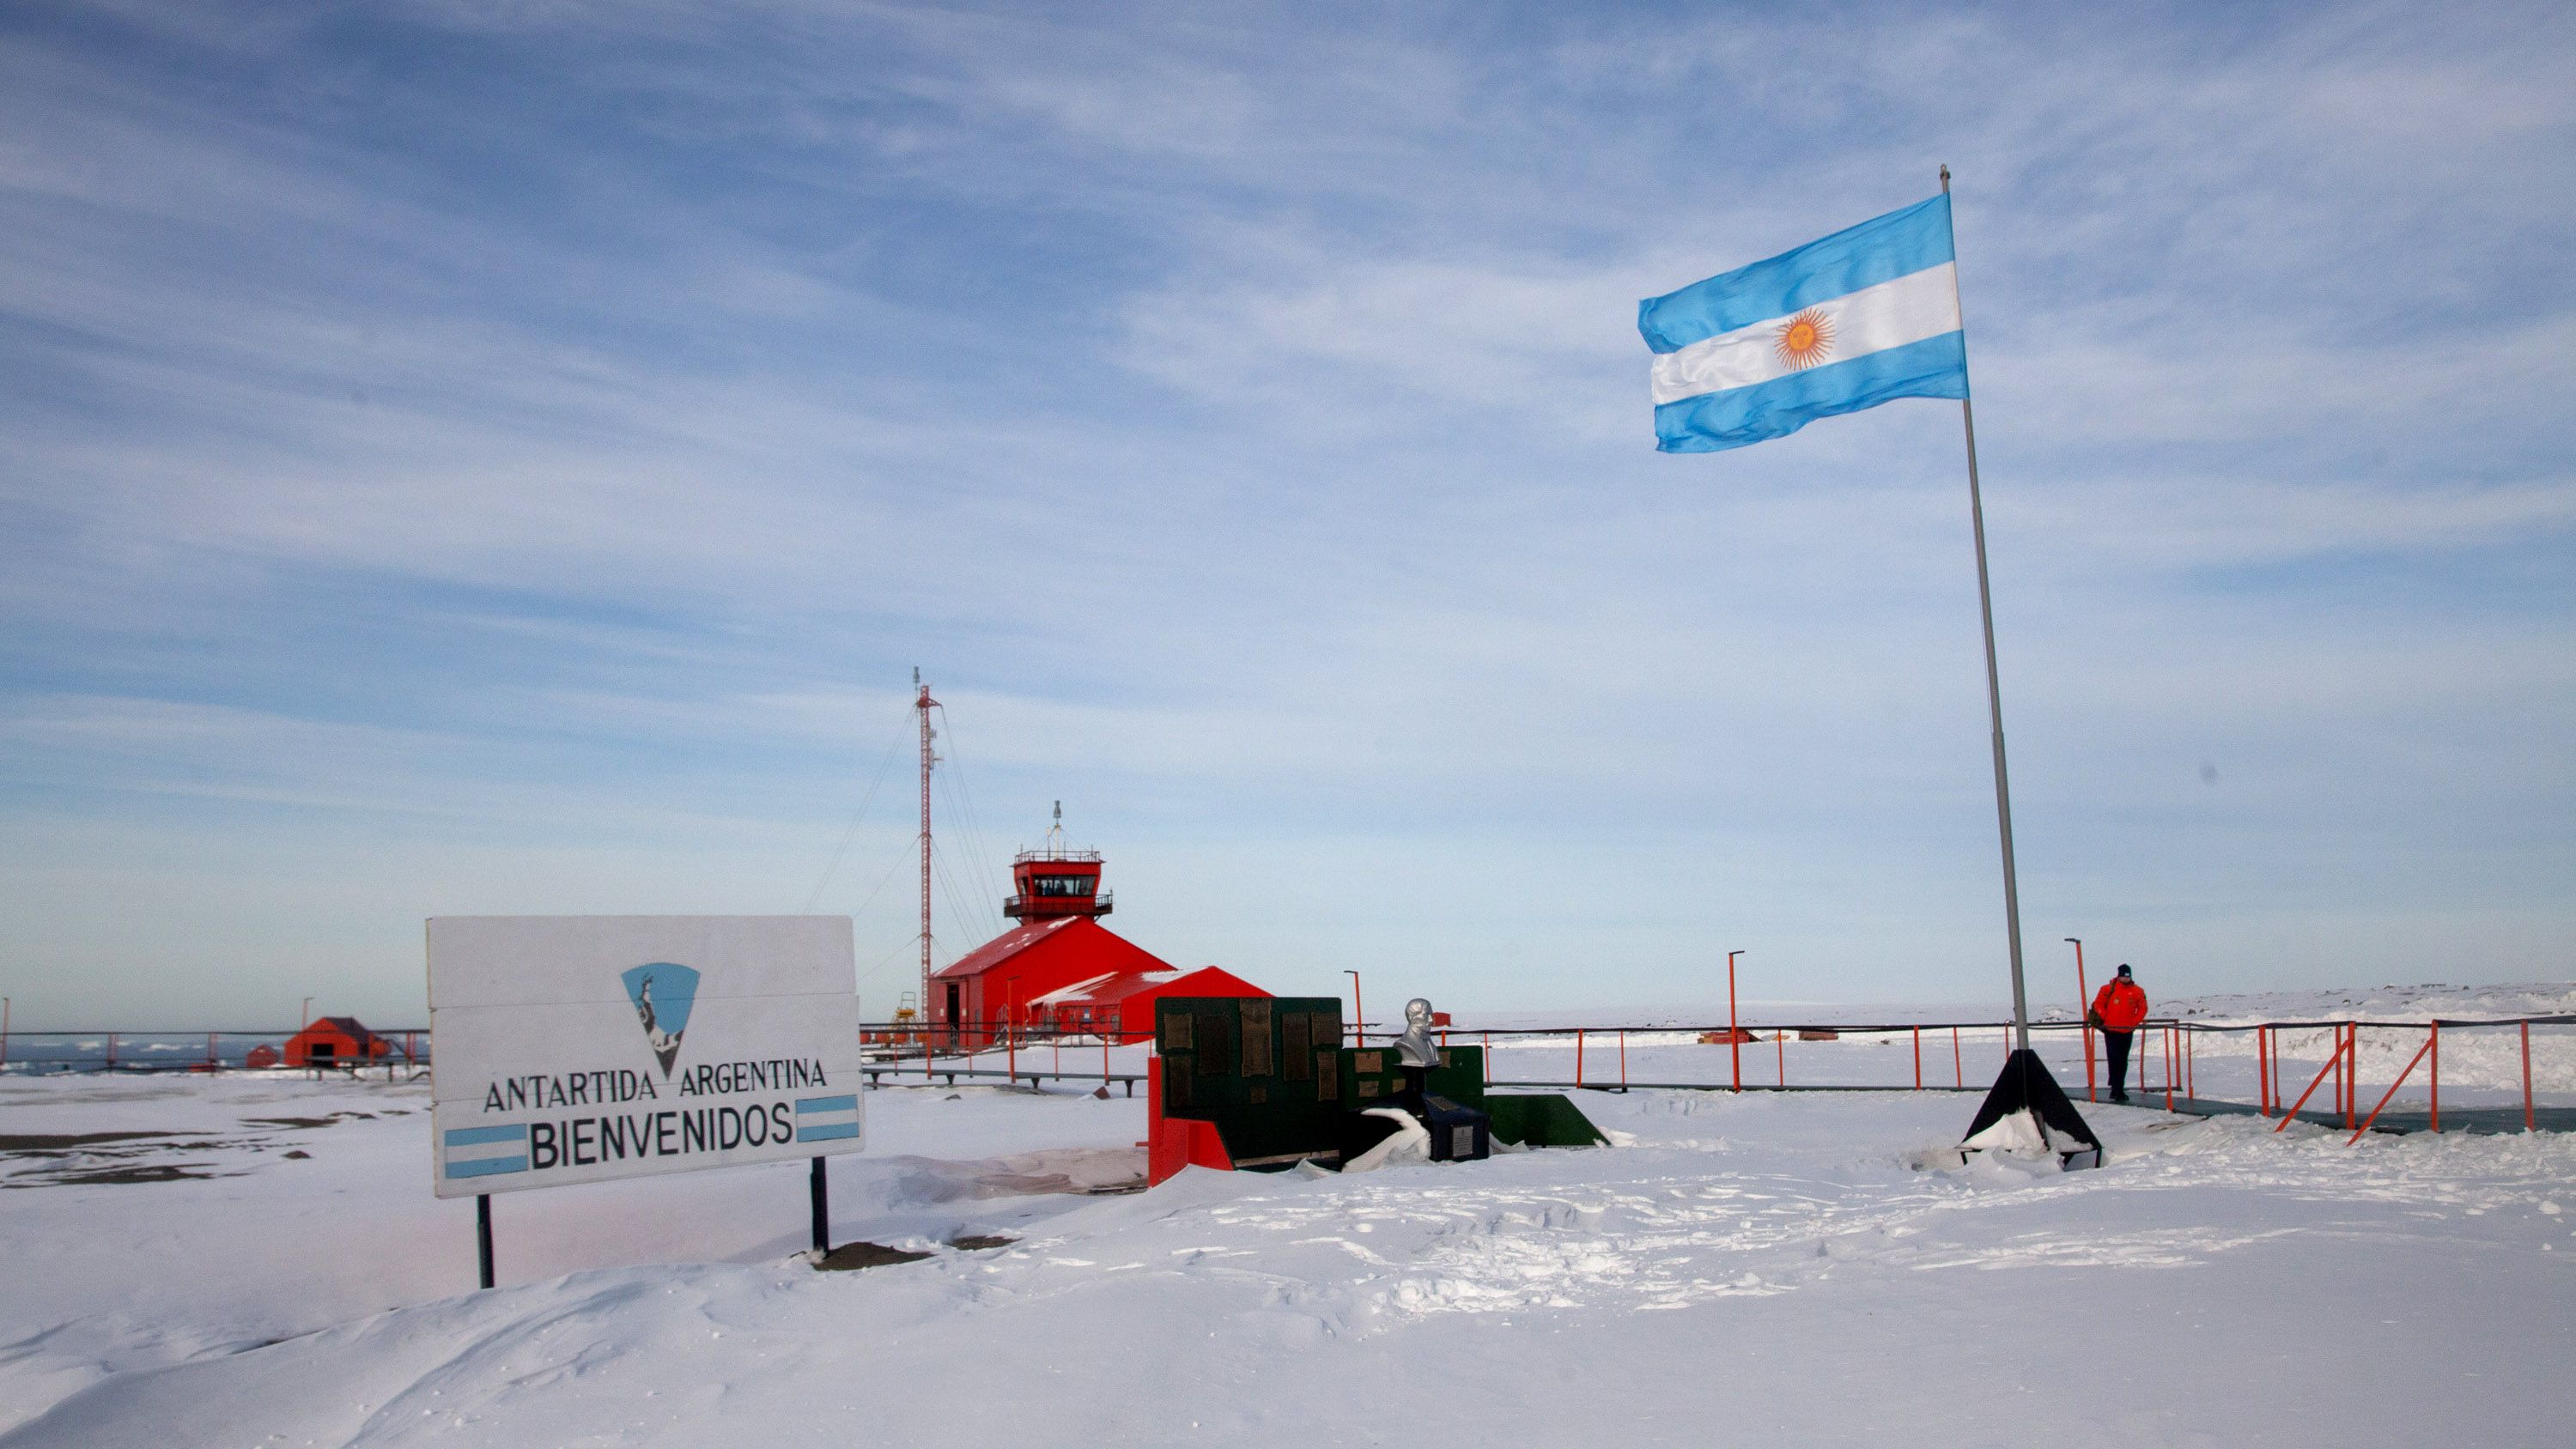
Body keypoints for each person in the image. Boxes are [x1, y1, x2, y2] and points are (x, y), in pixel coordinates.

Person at [2087, 964, 2149, 1103]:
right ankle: (2115, 1088)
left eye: (2128, 977)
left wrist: (2134, 1022)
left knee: (2122, 1060)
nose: (2125, 979)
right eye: (2123, 976)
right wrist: (2107, 1017)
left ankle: (2119, 1088)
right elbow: (2098, 1004)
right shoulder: (2108, 989)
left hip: (2127, 1030)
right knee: (2114, 1059)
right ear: (2119, 975)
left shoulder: (2137, 991)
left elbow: (2143, 1008)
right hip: (2111, 1030)